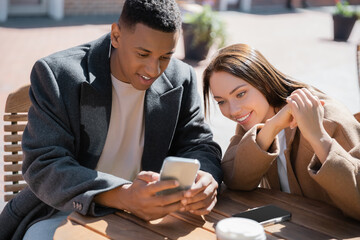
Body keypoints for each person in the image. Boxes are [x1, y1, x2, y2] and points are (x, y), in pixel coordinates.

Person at [0, 0, 223, 239]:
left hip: (149, 218)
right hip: (64, 211)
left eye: (165, 56)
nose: (154, 69)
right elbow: (44, 165)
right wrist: (122, 195)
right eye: (143, 54)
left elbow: (200, 145)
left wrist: (206, 177)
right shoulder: (58, 75)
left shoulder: (181, 77)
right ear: (116, 35)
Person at [202, 43, 360, 220]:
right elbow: (234, 179)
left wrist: (318, 137)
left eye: (240, 94)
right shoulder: (250, 120)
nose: (233, 111)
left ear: (264, 83)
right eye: (221, 101)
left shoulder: (329, 119)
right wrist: (272, 128)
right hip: (292, 229)